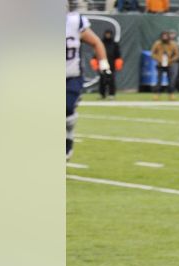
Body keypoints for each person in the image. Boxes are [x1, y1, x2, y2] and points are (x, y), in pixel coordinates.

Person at [67, 5, 109, 159]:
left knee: (66, 109)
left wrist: (104, 65)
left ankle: (68, 139)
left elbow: (96, 43)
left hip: (71, 75)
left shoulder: (75, 21)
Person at [150, 30, 179, 100]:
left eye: (166, 36)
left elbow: (177, 54)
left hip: (169, 64)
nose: (164, 37)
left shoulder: (173, 44)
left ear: (168, 37)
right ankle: (157, 94)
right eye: (163, 36)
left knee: (171, 80)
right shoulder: (157, 43)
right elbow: (152, 53)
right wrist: (158, 59)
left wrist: (171, 60)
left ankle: (171, 94)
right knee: (159, 80)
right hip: (160, 64)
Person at [98, 29, 122, 99]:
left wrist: (118, 64)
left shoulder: (114, 44)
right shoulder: (101, 43)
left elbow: (118, 55)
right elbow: (96, 54)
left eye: (109, 34)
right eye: (107, 34)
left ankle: (111, 94)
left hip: (112, 65)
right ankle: (102, 94)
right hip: (103, 63)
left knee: (111, 80)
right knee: (102, 79)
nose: (108, 35)